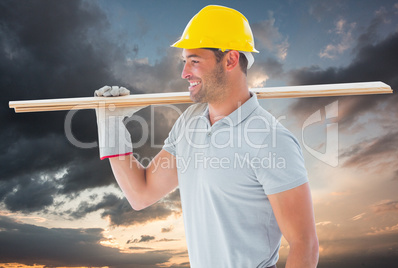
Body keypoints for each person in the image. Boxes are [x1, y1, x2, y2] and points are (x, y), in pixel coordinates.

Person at [95, 5, 319, 268]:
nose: (184, 73)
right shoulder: (189, 123)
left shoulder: (272, 141)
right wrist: (111, 124)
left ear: (231, 60)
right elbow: (140, 194)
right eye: (184, 61)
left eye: (195, 61)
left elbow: (305, 245)